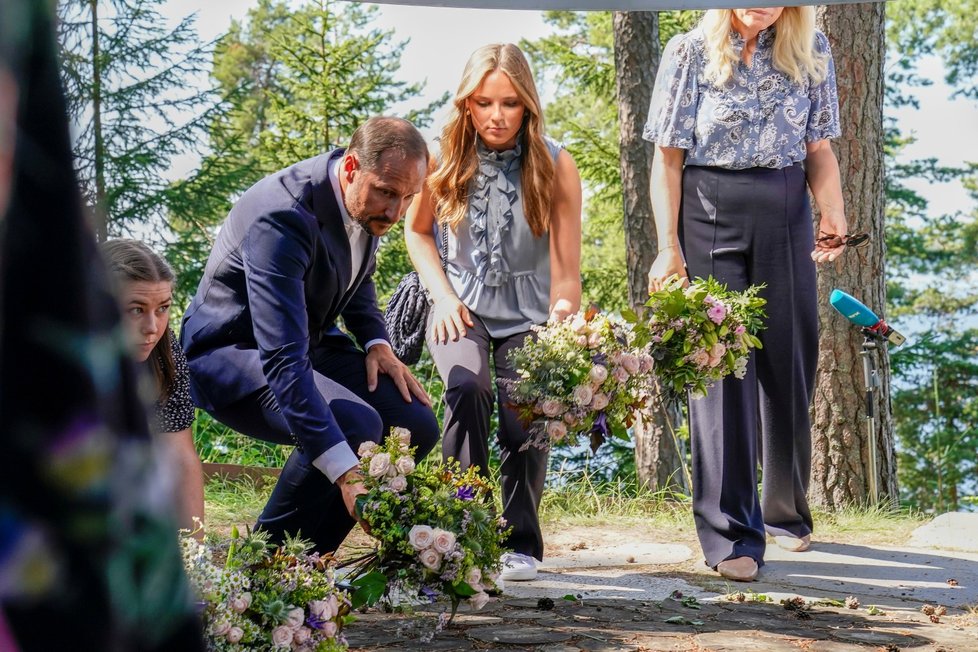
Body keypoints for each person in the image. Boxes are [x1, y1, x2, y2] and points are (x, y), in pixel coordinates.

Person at [644, 6, 851, 582]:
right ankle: (729, 531)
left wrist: (831, 214)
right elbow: (667, 157)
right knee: (719, 366)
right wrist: (668, 247)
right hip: (711, 211)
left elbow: (818, 150)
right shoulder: (688, 51)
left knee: (790, 359)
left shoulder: (814, 49)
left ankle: (784, 511)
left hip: (787, 210)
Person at [181, 116, 439, 555]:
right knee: (356, 424)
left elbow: (355, 275)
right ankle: (258, 566)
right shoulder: (282, 216)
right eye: (388, 193)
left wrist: (378, 343)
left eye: (408, 198)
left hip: (309, 342)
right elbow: (282, 359)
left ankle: (309, 567)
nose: (396, 213)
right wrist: (347, 475)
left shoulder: (364, 200)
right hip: (234, 355)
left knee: (413, 423)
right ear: (353, 167)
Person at [405, 43, 582, 581]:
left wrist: (562, 317)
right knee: (468, 388)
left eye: (509, 103)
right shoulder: (441, 158)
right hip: (459, 306)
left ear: (527, 105)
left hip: (530, 314)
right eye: (483, 103)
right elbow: (416, 233)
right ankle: (460, 532)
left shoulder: (556, 162)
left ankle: (520, 541)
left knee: (522, 407)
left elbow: (567, 270)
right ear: (466, 104)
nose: (496, 116)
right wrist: (441, 296)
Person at [101, 239, 206, 533]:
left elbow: (180, 458)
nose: (152, 327)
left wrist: (194, 552)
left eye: (162, 308)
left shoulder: (164, 353)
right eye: (136, 310)